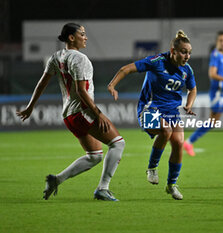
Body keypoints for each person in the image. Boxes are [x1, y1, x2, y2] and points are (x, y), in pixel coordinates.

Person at [16, 23, 125, 201]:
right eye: (82, 34)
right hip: (83, 112)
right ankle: (102, 189)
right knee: (118, 144)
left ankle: (56, 180)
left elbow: (42, 83)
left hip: (68, 115)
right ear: (71, 38)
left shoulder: (56, 57)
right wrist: (98, 114)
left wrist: (30, 106)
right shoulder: (80, 59)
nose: (86, 37)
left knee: (94, 156)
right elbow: (81, 91)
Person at [107, 30, 196, 200]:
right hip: (149, 109)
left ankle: (171, 184)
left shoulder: (187, 70)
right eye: (184, 52)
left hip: (171, 112)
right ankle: (152, 168)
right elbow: (126, 69)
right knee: (166, 130)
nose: (187, 56)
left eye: (189, 53)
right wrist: (112, 85)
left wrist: (189, 104)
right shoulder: (157, 61)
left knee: (178, 143)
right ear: (173, 51)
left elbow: (193, 89)